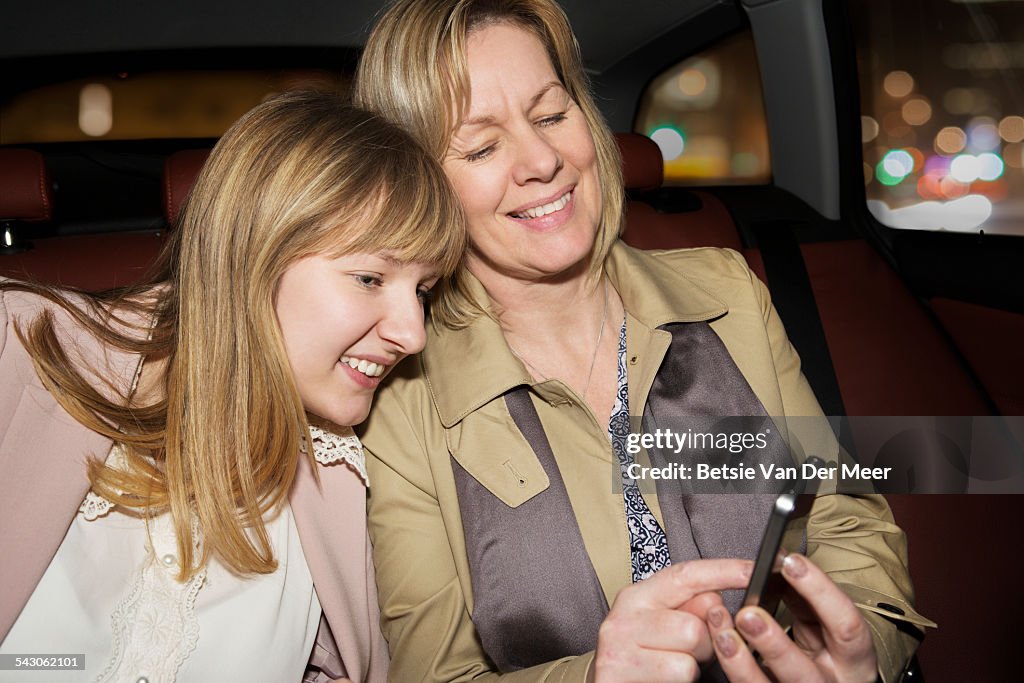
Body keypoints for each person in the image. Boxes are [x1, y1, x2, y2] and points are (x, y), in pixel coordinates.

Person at [354, 2, 931, 682]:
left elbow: (837, 518)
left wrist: (858, 649)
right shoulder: (399, 393)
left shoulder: (728, 292)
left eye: (551, 115)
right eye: (481, 146)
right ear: (419, 185)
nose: (542, 160)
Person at [0, 91, 464, 682]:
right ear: (253, 253)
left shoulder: (347, 470)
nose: (412, 335)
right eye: (370, 277)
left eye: (423, 290)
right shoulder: (17, 344)